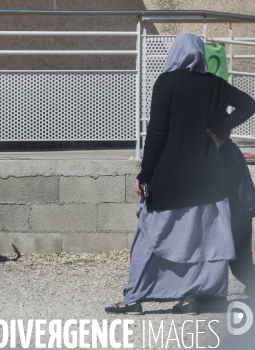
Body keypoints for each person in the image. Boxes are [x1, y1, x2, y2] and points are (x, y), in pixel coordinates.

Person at [105, 33, 255, 315]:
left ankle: (135, 296)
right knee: (207, 238)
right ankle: (205, 297)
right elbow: (249, 104)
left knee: (151, 235)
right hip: (208, 178)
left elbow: (157, 133)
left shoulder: (167, 82)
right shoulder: (214, 84)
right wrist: (221, 130)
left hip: (171, 177)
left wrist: (144, 172)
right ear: (199, 55)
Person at [208, 127, 255, 297]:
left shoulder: (227, 154)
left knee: (240, 264)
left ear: (211, 133)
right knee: (240, 262)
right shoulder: (228, 150)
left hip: (238, 213)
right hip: (240, 211)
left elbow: (233, 191)